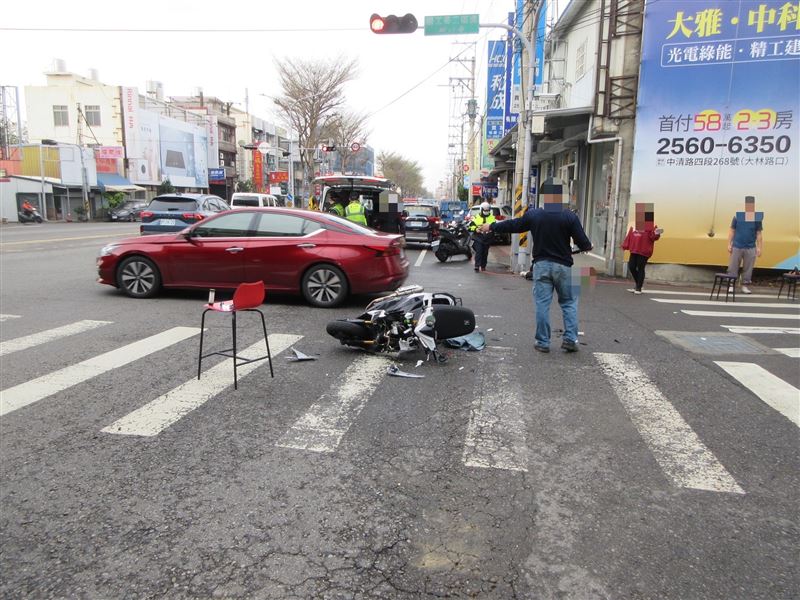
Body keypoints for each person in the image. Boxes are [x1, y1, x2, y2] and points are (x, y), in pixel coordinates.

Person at [479, 177, 592, 353]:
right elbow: (583, 243)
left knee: (542, 304)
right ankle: (570, 339)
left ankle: (543, 342)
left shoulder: (535, 215)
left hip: (541, 265)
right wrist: (587, 246)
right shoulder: (570, 216)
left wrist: (492, 226)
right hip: (564, 267)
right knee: (569, 303)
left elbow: (514, 225)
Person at [621, 203, 663, 295]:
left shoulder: (651, 225)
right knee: (631, 266)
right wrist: (625, 245)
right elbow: (630, 235)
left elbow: (653, 237)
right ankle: (638, 284)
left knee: (640, 267)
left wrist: (657, 233)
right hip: (634, 249)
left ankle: (638, 287)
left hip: (644, 250)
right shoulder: (634, 224)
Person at [727, 195, 763, 295]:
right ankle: (731, 285)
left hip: (751, 247)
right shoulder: (737, 216)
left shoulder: (757, 218)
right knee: (733, 266)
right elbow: (732, 230)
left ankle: (745, 286)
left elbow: (759, 233)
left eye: (751, 205)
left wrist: (759, 247)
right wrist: (729, 244)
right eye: (748, 205)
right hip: (737, 245)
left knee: (748, 268)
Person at [468, 202, 496, 272]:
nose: (486, 211)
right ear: (481, 209)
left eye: (487, 210)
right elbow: (470, 227)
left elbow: (495, 227)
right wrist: (475, 229)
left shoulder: (492, 218)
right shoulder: (476, 217)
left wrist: (491, 230)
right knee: (479, 251)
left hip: (487, 238)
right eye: (485, 210)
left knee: (485, 252)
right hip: (478, 237)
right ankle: (477, 266)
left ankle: (483, 266)